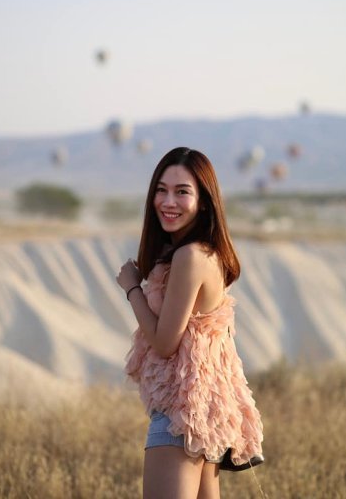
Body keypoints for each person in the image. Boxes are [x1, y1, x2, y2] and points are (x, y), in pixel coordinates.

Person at [116, 147, 263, 499]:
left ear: (205, 201)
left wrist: (132, 287)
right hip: (203, 415)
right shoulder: (206, 254)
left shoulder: (190, 256)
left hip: (181, 417)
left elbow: (166, 344)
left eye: (182, 191)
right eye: (161, 190)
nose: (168, 201)